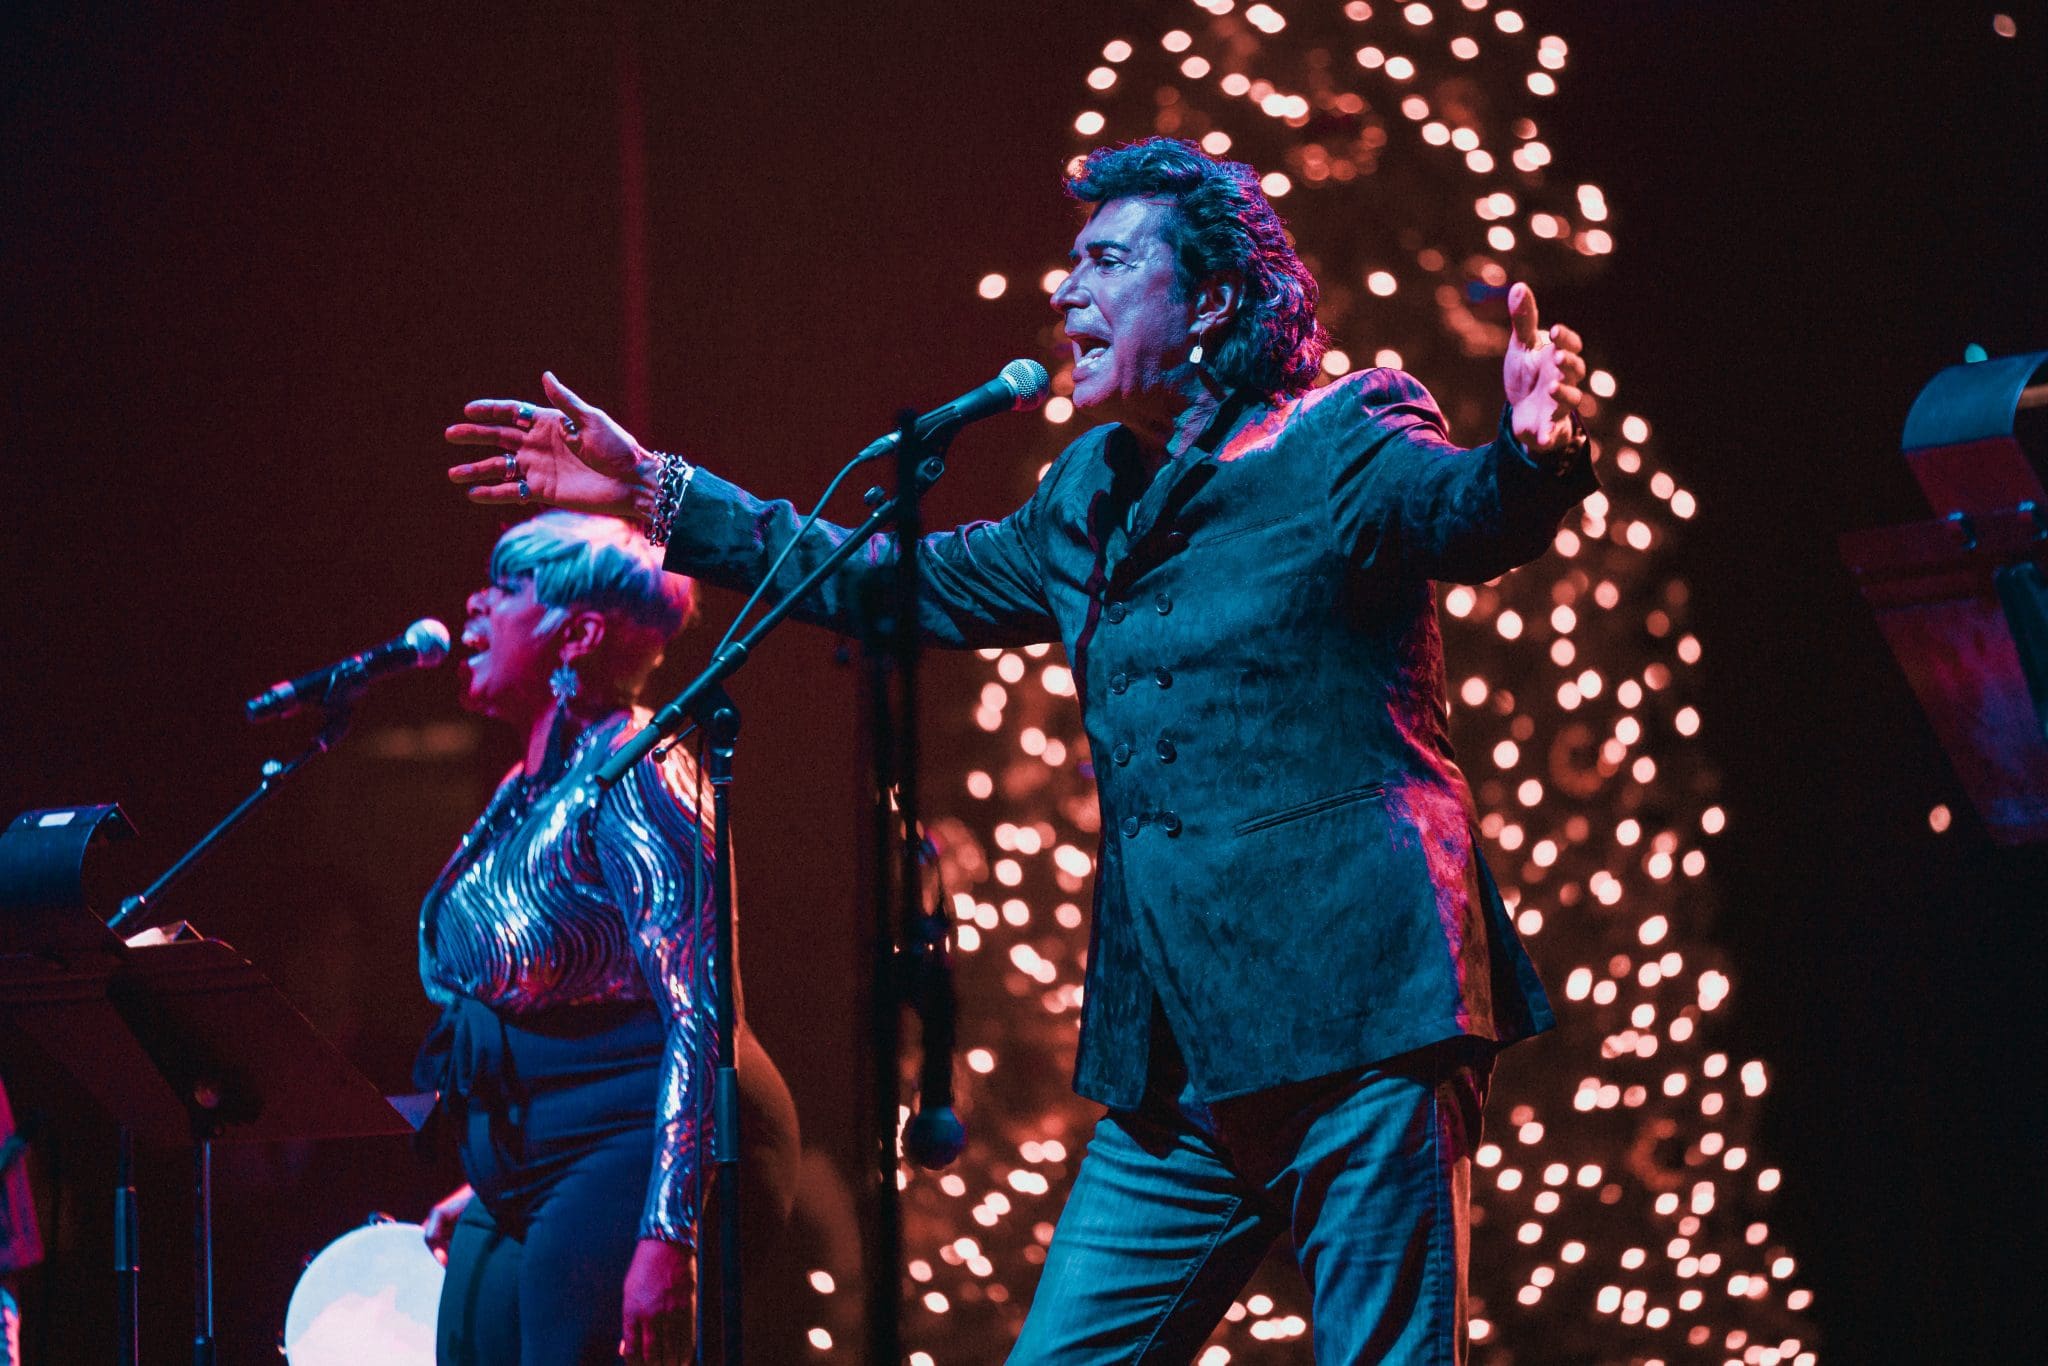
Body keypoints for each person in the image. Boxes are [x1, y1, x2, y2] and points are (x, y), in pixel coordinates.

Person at [444, 138, 1595, 1361]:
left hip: (1362, 1017)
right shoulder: (1086, 490)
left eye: (1106, 261)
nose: (1065, 288)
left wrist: (1532, 458)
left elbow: (1459, 511)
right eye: (1069, 262)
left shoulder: (1338, 432)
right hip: (1179, 1065)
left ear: (1211, 300)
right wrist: (657, 492)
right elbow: (888, 578)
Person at [411, 511, 797, 1366]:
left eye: (507, 587)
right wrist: (495, 1168)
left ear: (579, 634)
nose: (474, 604)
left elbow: (702, 1013)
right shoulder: (526, 786)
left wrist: (667, 1232)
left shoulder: (639, 770)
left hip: (639, 1142)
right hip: (541, 1157)